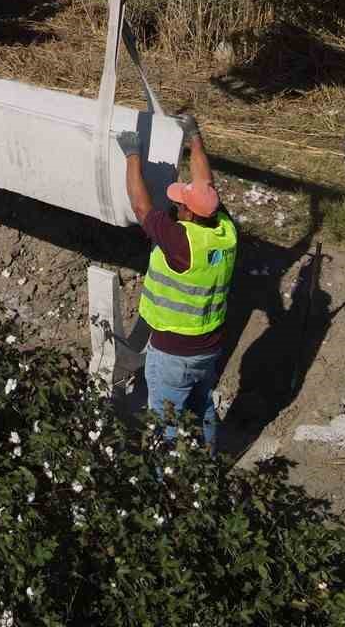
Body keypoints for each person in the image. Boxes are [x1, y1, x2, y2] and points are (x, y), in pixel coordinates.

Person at [123, 117, 236, 452]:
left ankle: (163, 487)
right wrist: (195, 140)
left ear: (188, 214)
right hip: (208, 348)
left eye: (180, 203)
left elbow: (142, 207)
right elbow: (207, 185)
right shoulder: (224, 231)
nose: (175, 204)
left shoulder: (180, 241)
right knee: (202, 406)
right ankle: (209, 459)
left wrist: (131, 155)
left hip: (173, 353)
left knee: (163, 423)